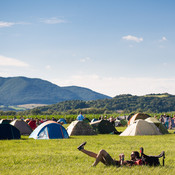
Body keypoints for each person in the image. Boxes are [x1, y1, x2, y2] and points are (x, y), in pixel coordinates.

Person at [77, 142, 142, 167]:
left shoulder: (134, 163)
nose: (131, 155)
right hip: (114, 163)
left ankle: (93, 166)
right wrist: (120, 158)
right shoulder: (132, 161)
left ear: (136, 156)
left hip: (113, 164)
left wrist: (122, 158)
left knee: (102, 151)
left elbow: (122, 166)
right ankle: (82, 149)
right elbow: (121, 164)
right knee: (97, 156)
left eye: (132, 154)